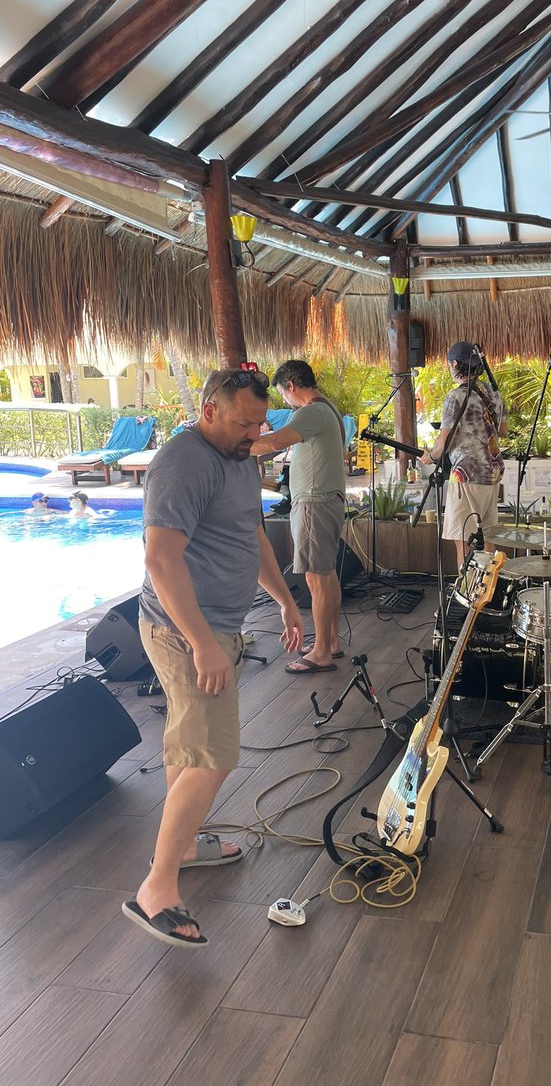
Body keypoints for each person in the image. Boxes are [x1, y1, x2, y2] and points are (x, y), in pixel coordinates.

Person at [123, 367, 304, 949]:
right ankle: (157, 886)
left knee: (191, 745)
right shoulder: (183, 463)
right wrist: (201, 640)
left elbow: (249, 537)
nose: (255, 433)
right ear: (208, 410)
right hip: (185, 632)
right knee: (214, 756)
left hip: (219, 627)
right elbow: (161, 560)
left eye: (261, 422)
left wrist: (285, 601)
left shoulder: (237, 458)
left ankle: (186, 844)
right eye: (244, 422)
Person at [250, 359, 346, 673]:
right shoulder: (324, 410)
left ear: (292, 385)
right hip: (324, 501)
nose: (285, 401)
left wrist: (235, 443)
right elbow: (281, 441)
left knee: (316, 580)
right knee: (326, 575)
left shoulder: (312, 411)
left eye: (283, 393)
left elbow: (274, 442)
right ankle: (329, 642)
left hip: (314, 504)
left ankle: (320, 653)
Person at [419, 341, 508, 567]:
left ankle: (468, 591)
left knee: (463, 536)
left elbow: (445, 439)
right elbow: (503, 431)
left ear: (456, 364)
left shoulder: (457, 396)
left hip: (466, 474)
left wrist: (432, 456)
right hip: (492, 472)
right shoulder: (492, 393)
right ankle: (489, 589)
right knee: (487, 536)